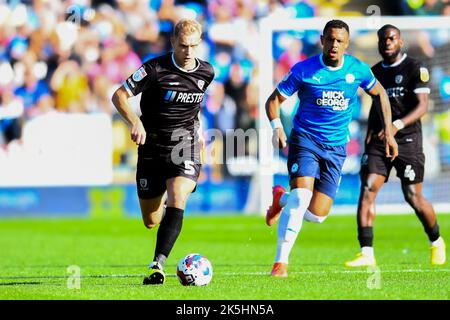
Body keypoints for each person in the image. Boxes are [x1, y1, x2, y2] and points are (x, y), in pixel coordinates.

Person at [264, 20, 398, 277]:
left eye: (340, 41)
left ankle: (281, 198)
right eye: (331, 39)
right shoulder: (304, 70)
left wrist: (389, 132)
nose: (334, 45)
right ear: (322, 40)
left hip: (336, 147)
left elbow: (380, 94)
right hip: (305, 140)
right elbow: (274, 100)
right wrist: (277, 127)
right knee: (301, 197)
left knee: (318, 215)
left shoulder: (357, 69)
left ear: (346, 44)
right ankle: (281, 262)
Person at [111, 18, 215, 285]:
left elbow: (195, 108)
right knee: (151, 220)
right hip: (152, 148)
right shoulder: (154, 69)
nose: (189, 52)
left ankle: (157, 264)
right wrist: (135, 122)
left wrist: (199, 131)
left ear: (200, 43)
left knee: (178, 195)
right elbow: (119, 96)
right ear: (173, 43)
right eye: (183, 46)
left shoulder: (207, 72)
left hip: (185, 145)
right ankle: (168, 208)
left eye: (193, 46)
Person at [345, 25, 446, 267]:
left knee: (413, 196)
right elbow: (375, 108)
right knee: (368, 189)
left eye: (391, 39)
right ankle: (366, 253)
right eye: (383, 39)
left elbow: (422, 106)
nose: (387, 42)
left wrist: (396, 125)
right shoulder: (375, 71)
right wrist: (370, 133)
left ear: (400, 42)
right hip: (380, 140)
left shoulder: (415, 68)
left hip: (407, 139)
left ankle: (436, 241)